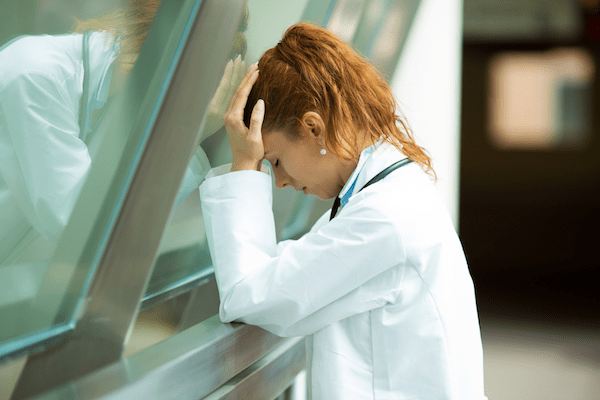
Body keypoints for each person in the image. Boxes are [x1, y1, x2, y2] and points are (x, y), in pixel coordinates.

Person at [199, 23, 487, 400]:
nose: (280, 181)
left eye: (275, 160)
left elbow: (248, 297)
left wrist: (242, 164)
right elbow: (276, 273)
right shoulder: (381, 200)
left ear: (313, 128)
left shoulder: (384, 218)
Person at [0, 0, 245, 266]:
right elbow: (76, 226)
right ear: (161, 55)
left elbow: (122, 224)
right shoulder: (35, 76)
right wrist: (190, 138)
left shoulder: (110, 98)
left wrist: (192, 138)